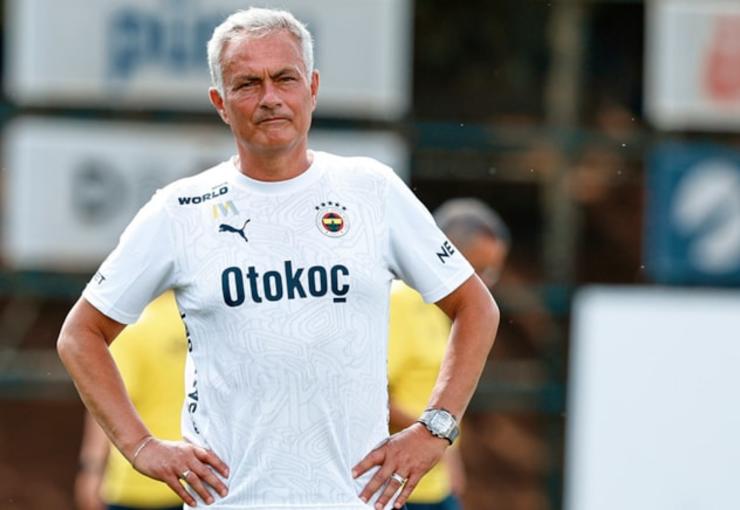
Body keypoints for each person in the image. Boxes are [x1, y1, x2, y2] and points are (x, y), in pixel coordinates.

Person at [56, 7, 499, 510]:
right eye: (247, 84)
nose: (270, 97)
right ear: (220, 104)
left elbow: (476, 307)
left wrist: (435, 429)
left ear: (312, 88)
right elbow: (80, 335)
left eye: (285, 78)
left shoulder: (371, 190)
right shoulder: (179, 210)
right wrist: (140, 446)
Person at [387, 199, 510, 510]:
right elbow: (368, 397)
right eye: (479, 270)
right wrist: (435, 434)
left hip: (435, 486)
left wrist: (447, 452)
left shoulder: (455, 313)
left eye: (493, 272)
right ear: (446, 255)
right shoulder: (402, 303)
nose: (486, 283)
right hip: (394, 487)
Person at [75, 291, 186, 510]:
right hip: (196, 477)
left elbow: (105, 400)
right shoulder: (201, 324)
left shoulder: (130, 328)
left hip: (136, 480)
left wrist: (91, 469)